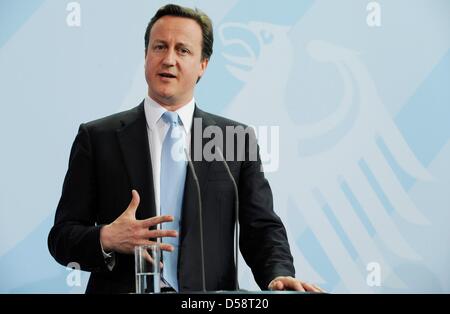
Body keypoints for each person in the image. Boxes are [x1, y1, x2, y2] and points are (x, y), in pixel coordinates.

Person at [48, 3, 323, 294]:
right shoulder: (97, 137)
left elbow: (261, 227)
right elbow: (62, 237)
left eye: (183, 50)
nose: (168, 59)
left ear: (203, 64)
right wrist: (106, 237)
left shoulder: (233, 139)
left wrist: (278, 274)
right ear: (145, 56)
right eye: (159, 47)